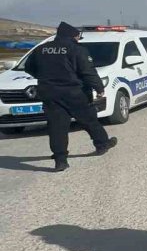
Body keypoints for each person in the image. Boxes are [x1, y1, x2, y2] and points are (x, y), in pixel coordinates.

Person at [24, 22, 117, 172]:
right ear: (72, 36)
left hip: (50, 93)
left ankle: (60, 160)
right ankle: (102, 144)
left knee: (57, 126)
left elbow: (29, 67)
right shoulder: (77, 50)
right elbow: (88, 72)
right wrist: (99, 88)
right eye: (77, 36)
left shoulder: (41, 49)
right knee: (89, 120)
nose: (78, 39)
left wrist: (45, 77)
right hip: (74, 92)